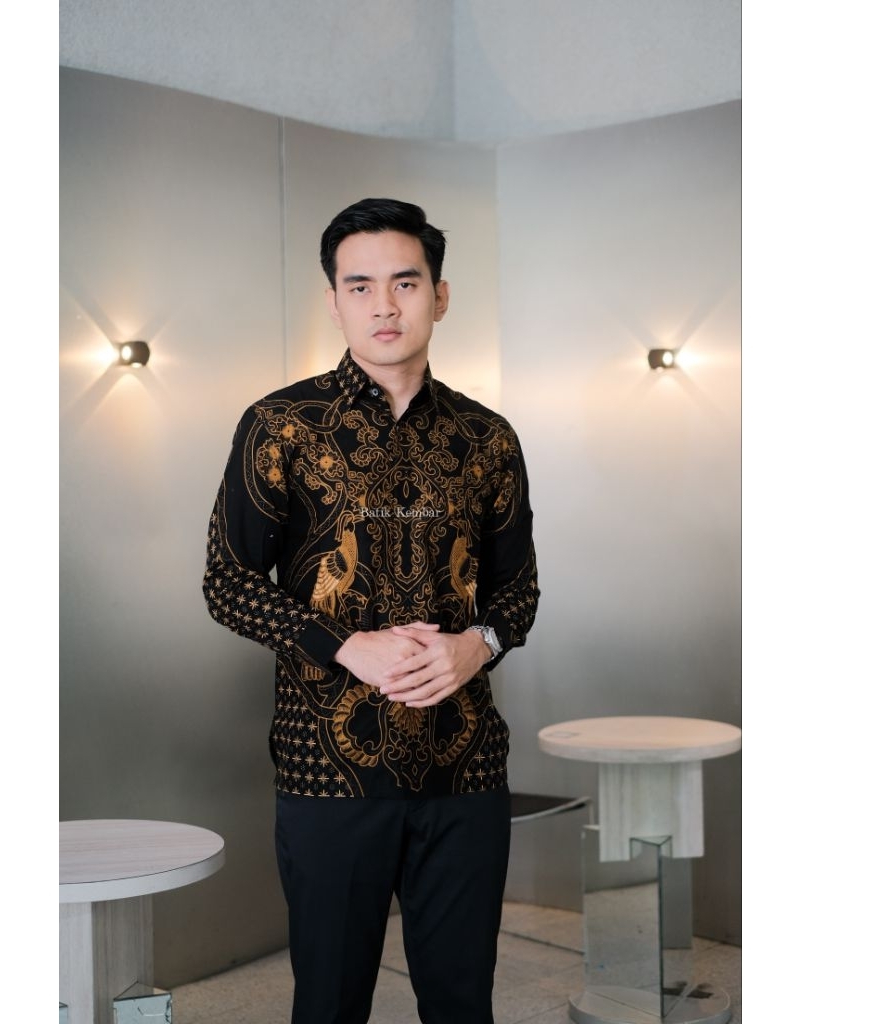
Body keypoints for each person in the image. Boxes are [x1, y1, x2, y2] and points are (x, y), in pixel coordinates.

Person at [203, 197, 539, 1024]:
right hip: (329, 770)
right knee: (330, 1003)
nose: (384, 305)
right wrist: (344, 645)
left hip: (465, 767)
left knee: (462, 1003)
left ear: (440, 295)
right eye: (360, 286)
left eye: (405, 282)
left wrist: (477, 645)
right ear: (334, 301)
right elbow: (228, 580)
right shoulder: (281, 426)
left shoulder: (488, 437)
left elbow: (518, 591)